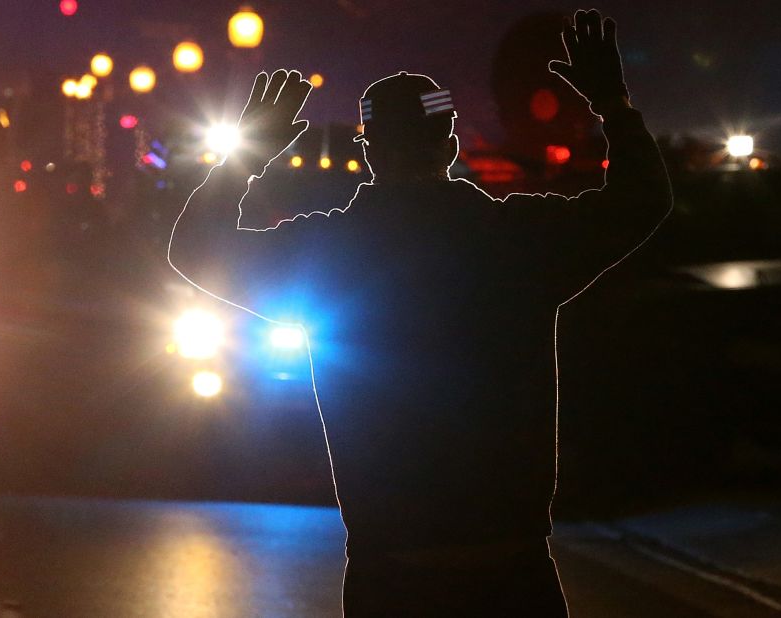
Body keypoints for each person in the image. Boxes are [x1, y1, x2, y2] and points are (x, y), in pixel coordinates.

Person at [169, 9, 671, 616]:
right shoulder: (518, 241)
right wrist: (612, 103)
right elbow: (643, 200)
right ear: (451, 144)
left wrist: (250, 156)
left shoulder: (329, 254)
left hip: (391, 575)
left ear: (369, 152)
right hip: (513, 573)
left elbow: (196, 248)